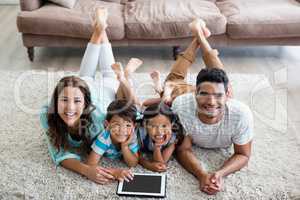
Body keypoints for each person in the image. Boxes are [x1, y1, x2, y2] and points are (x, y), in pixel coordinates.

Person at [39, 8, 141, 184]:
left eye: (76, 102)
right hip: (84, 88)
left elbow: (130, 110)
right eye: (63, 100)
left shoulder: (100, 117)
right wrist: (87, 170)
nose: (70, 108)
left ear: (85, 104)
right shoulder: (46, 114)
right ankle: (100, 29)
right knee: (84, 76)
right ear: (55, 102)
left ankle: (100, 29)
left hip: (104, 92)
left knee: (107, 76)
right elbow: (59, 154)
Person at [171, 20, 253, 195]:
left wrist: (219, 174)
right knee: (174, 79)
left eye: (219, 96)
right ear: (195, 93)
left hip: (214, 91)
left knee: (220, 77)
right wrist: (201, 174)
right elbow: (183, 149)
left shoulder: (241, 113)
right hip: (183, 95)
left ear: (227, 95)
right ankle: (197, 38)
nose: (211, 102)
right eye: (204, 94)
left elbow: (243, 154)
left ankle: (199, 35)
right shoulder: (182, 106)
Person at [143, 18, 229, 107]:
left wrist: (165, 95)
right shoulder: (218, 99)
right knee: (221, 79)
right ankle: (199, 35)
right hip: (180, 89)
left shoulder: (178, 102)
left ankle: (199, 36)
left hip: (176, 87)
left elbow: (146, 103)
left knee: (173, 79)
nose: (211, 101)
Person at [85, 100, 140, 182]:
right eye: (117, 124)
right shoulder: (104, 138)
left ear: (134, 127)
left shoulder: (131, 136)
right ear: (107, 125)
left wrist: (124, 146)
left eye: (128, 125)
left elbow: (133, 163)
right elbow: (90, 164)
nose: (122, 130)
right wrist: (114, 172)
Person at [137, 103, 180, 172]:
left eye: (164, 126)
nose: (159, 132)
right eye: (153, 126)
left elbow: (161, 162)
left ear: (171, 125)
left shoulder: (172, 138)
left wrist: (157, 147)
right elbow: (136, 156)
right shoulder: (141, 135)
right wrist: (148, 165)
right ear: (145, 125)